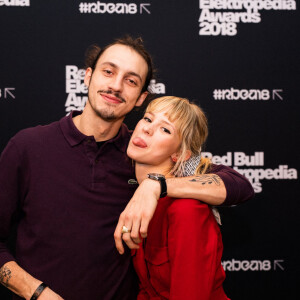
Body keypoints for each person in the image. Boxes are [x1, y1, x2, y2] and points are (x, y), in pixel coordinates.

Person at [0, 36, 253, 300]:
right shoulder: (28, 146)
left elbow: (239, 185)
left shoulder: (145, 153)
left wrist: (155, 185)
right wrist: (37, 293)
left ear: (140, 98)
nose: (116, 85)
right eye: (108, 71)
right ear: (87, 76)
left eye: (131, 80)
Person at [127, 96, 230, 299]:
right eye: (148, 119)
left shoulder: (186, 209)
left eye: (165, 129)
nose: (146, 129)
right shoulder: (139, 199)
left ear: (180, 155)